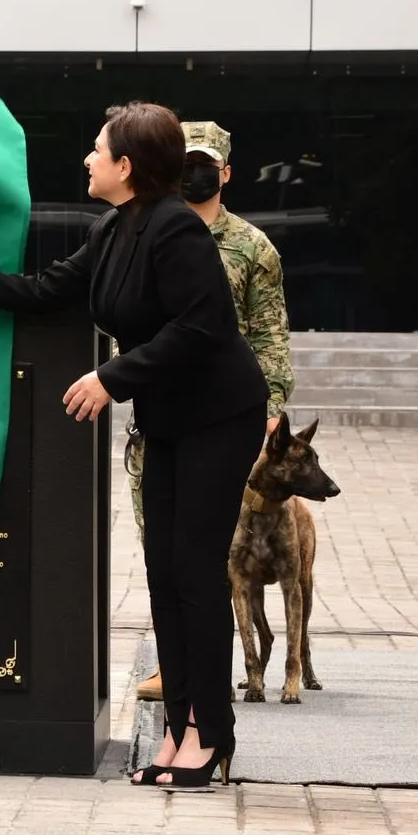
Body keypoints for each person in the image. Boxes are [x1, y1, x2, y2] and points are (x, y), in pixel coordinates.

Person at [0, 101, 268, 790]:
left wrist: (112, 376)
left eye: (98, 149)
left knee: (195, 574)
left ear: (126, 166)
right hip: (171, 420)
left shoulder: (176, 228)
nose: (87, 158)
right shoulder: (113, 227)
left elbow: (201, 329)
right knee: (164, 572)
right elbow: (49, 289)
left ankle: (209, 733)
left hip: (219, 417)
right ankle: (177, 729)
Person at [130, 120, 294, 703]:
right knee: (161, 553)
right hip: (160, 416)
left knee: (211, 552)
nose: (194, 175)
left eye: (205, 165)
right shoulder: (144, 231)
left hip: (223, 418)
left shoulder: (252, 247)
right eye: (185, 164)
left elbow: (270, 335)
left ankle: (210, 675)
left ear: (226, 173)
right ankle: (177, 667)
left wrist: (271, 410)